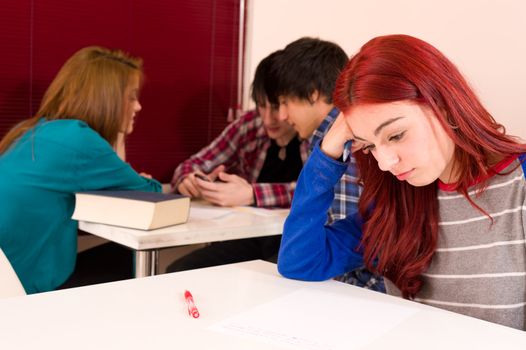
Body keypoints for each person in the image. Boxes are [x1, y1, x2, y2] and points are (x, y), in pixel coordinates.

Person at [277, 34, 526, 330]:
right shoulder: (398, 203)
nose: (384, 162)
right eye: (368, 146)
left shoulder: (518, 185)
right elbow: (300, 262)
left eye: (395, 135)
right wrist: (329, 149)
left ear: (443, 107)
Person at [0, 46, 162, 294]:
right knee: (128, 259)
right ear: (106, 99)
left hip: (11, 274)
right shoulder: (78, 139)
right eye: (130, 97)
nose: (138, 106)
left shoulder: (29, 130)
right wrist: (118, 136)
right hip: (25, 289)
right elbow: (153, 194)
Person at [165, 50, 308, 272]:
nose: (269, 118)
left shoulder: (314, 132)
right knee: (179, 272)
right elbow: (193, 164)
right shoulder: (250, 126)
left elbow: (316, 191)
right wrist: (190, 180)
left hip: (293, 241)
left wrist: (252, 194)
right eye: (262, 106)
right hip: (249, 238)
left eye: (277, 106)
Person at [272, 37, 384, 292]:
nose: (282, 115)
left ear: (312, 93)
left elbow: (357, 263)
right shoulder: (324, 142)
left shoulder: (350, 143)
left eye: (285, 102)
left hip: (356, 296)